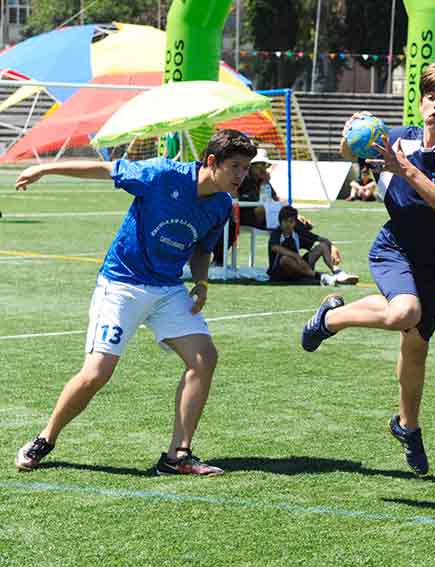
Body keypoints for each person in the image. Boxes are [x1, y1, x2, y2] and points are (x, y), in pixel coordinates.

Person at [13, 129, 257, 476]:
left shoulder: (220, 204)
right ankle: (45, 438)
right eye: (236, 167)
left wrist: (201, 282)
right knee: (96, 374)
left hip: (168, 289)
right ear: (212, 161)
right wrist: (45, 170)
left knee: (204, 359)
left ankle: (178, 455)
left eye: (246, 169)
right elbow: (105, 169)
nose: (241, 176)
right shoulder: (162, 175)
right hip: (122, 284)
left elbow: (202, 248)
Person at [300, 60, 435, 475]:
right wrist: (353, 134)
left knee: (415, 348)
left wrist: (406, 169)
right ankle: (332, 317)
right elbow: (350, 152)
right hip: (395, 247)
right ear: (421, 101)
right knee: (405, 312)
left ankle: (408, 426)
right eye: (431, 97)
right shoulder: (397, 137)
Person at [267, 204, 358, 285]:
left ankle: (337, 272)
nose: (288, 224)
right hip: (281, 273)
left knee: (322, 246)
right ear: (280, 222)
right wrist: (295, 256)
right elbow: (275, 247)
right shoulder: (277, 233)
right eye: (285, 221)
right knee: (285, 259)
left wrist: (332, 247)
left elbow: (322, 240)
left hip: (299, 267)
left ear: (295, 223)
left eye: (291, 221)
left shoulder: (297, 232)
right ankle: (320, 276)